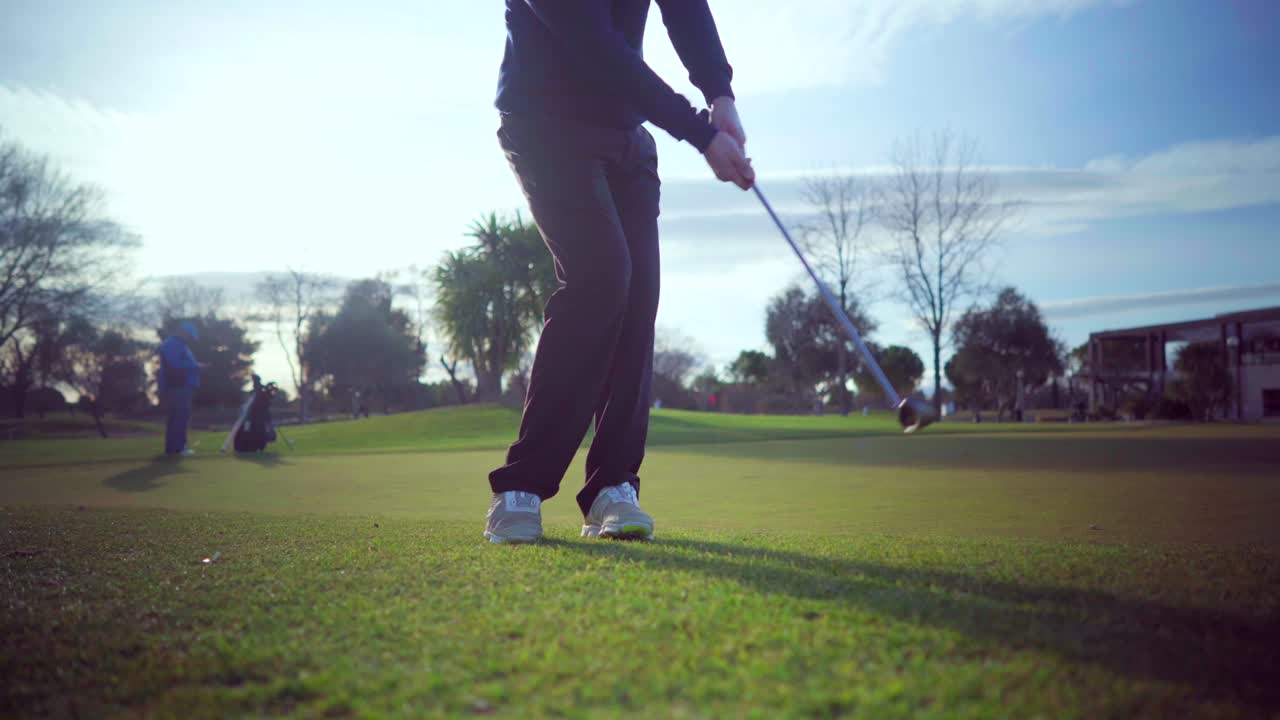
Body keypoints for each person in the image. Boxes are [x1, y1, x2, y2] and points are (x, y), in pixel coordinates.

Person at [484, 1, 754, 544]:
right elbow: (596, 46)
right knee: (601, 279)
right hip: (546, 123)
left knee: (639, 296)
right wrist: (701, 134)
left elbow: (685, 7)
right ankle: (520, 490)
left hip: (627, 136)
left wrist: (719, 93)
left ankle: (613, 486)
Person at [158, 321, 201, 456]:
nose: (190, 339)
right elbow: (175, 365)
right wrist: (196, 366)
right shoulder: (173, 344)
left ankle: (173, 448)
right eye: (190, 336)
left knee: (177, 417)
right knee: (180, 417)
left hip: (179, 386)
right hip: (178, 386)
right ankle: (178, 448)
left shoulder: (179, 345)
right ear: (183, 332)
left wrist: (195, 366)